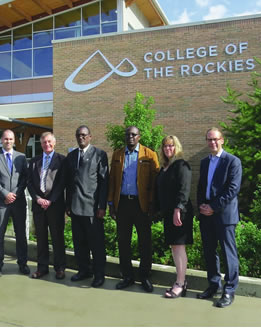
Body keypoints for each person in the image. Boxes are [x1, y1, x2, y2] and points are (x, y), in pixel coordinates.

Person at [108, 126, 159, 292]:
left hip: (141, 205)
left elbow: (154, 182)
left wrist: (151, 204)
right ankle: (127, 276)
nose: (130, 137)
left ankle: (144, 276)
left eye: (133, 134)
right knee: (123, 242)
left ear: (139, 136)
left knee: (145, 241)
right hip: (122, 204)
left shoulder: (149, 155)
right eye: (128, 134)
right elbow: (112, 181)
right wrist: (111, 205)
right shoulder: (117, 154)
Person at [196, 127, 242, 308]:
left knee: (228, 253)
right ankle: (214, 285)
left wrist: (213, 207)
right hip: (206, 214)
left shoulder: (232, 161)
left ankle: (229, 291)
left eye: (215, 139)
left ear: (222, 140)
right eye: (209, 140)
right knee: (209, 252)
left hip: (224, 215)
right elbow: (201, 186)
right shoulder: (204, 162)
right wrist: (202, 206)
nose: (212, 143)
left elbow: (233, 189)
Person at [65, 125, 109, 288]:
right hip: (75, 208)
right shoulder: (71, 156)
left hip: (92, 209)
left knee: (96, 244)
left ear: (90, 137)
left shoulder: (99, 155)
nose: (81, 137)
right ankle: (84, 270)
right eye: (78, 135)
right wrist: (68, 204)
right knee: (79, 243)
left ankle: (99, 274)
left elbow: (104, 183)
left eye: (84, 135)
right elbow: (69, 183)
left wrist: (102, 206)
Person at [0, 129, 29, 278]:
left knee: (21, 234)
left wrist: (15, 194)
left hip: (18, 202)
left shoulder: (21, 157)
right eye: (6, 139)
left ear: (14, 141)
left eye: (11, 139)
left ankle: (23, 263)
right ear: (1, 140)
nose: (8, 141)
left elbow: (25, 178)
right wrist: (5, 194)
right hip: (0, 202)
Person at [156, 135, 193, 298]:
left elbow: (184, 189)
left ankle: (180, 283)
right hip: (169, 213)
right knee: (174, 247)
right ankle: (180, 281)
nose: (168, 148)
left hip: (180, 213)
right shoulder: (164, 167)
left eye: (171, 146)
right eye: (165, 146)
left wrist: (178, 209)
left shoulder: (181, 165)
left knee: (179, 246)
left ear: (176, 147)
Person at [27, 132, 66, 280]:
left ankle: (60, 268)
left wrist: (51, 200)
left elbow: (62, 183)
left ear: (54, 142)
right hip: (38, 206)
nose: (47, 144)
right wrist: (37, 198)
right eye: (44, 142)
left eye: (49, 142)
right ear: (41, 144)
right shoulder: (34, 161)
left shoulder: (62, 160)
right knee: (41, 239)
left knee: (57, 238)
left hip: (55, 206)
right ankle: (42, 268)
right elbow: (29, 182)